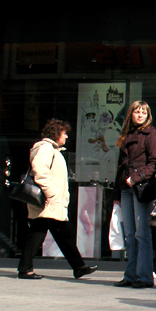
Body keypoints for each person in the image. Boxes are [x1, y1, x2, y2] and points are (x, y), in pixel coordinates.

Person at [17, 118, 98, 280]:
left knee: (58, 234)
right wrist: (51, 192)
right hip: (49, 202)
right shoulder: (46, 148)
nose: (66, 136)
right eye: (64, 133)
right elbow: (40, 171)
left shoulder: (52, 150)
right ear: (56, 133)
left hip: (51, 203)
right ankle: (26, 269)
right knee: (43, 234)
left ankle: (78, 266)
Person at [114, 100, 156, 289]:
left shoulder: (151, 134)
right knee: (130, 234)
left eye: (144, 112)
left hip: (141, 187)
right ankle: (131, 275)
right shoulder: (126, 135)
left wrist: (136, 177)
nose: (140, 115)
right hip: (126, 187)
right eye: (137, 111)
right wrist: (116, 194)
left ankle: (143, 277)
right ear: (131, 114)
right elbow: (119, 166)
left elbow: (154, 163)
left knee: (142, 233)